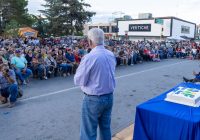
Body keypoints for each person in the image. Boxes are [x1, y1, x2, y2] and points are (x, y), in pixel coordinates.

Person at [74, 28, 116, 140]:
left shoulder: (89, 57)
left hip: (93, 99)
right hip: (109, 96)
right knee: (105, 128)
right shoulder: (110, 54)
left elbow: (79, 80)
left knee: (88, 132)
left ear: (90, 41)